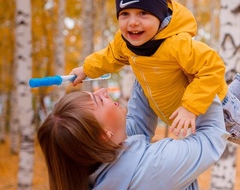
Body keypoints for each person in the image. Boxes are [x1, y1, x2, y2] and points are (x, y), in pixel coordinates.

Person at [70, 0, 240, 141]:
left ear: (159, 15)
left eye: (143, 13)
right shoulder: (124, 43)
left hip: (219, 110)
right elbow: (108, 56)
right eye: (125, 14)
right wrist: (86, 70)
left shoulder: (176, 43)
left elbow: (212, 66)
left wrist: (190, 107)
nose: (133, 22)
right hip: (196, 106)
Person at [37, 80, 229, 190]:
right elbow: (210, 138)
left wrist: (146, 59)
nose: (103, 91)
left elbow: (138, 124)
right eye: (98, 100)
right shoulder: (153, 168)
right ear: (104, 135)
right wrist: (201, 81)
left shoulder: (97, 162)